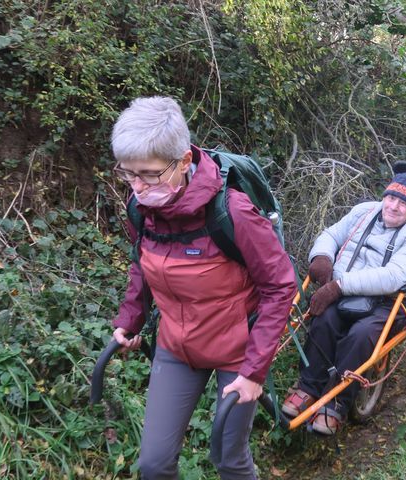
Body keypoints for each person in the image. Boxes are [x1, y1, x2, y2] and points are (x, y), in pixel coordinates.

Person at [109, 96, 296, 480]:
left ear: (182, 161)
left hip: (237, 353)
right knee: (154, 464)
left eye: (148, 174)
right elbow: (142, 265)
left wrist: (254, 371)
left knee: (229, 458)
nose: (138, 187)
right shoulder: (141, 208)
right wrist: (131, 320)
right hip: (176, 346)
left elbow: (280, 287)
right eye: (128, 174)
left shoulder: (234, 211)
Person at [282, 172, 406, 434]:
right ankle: (308, 386)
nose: (393, 207)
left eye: (403, 204)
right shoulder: (364, 212)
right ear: (384, 196)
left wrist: (339, 286)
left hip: (387, 303)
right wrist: (322, 257)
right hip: (343, 293)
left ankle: (336, 402)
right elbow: (331, 234)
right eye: (391, 198)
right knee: (324, 320)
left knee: (360, 336)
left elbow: (393, 277)